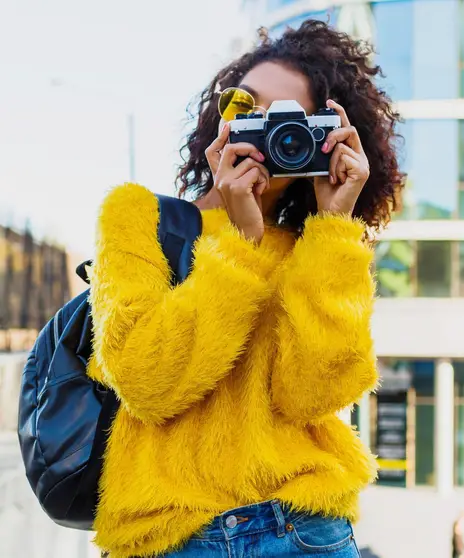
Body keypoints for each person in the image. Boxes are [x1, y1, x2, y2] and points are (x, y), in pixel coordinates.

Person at [87, 22, 403, 558]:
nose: (260, 129)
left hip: (307, 530)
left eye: (291, 123)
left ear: (321, 145)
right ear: (219, 120)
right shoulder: (139, 216)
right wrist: (240, 245)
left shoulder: (316, 249)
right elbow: (145, 380)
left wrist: (334, 226)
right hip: (171, 537)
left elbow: (315, 394)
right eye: (245, 107)